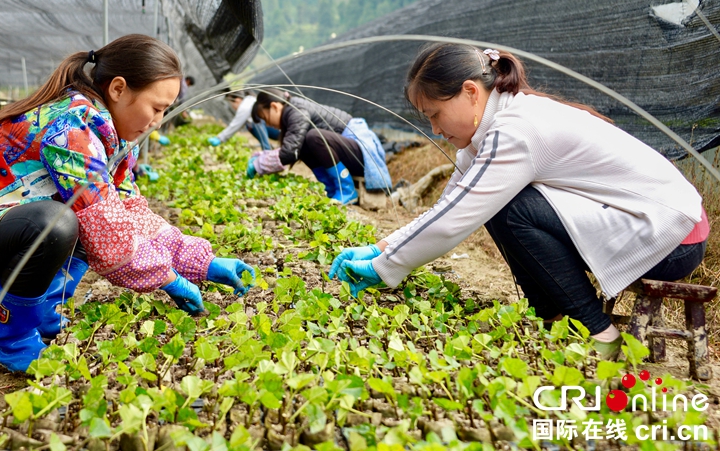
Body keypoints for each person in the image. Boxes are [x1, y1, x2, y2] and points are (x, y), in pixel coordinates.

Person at [329, 43, 708, 360]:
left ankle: (600, 335)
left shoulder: (516, 131)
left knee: (510, 208)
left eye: (436, 115)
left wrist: (386, 266)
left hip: (672, 235)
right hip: (647, 220)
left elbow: (455, 220)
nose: (436, 129)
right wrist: (379, 248)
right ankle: (553, 319)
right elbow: (448, 207)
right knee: (499, 204)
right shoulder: (496, 125)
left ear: (471, 92)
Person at [0, 35, 254, 373]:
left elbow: (129, 213)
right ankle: (13, 342)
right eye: (156, 108)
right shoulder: (72, 128)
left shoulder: (114, 140)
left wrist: (200, 262)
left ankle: (44, 316)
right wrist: (168, 278)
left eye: (165, 110)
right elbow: (108, 233)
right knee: (59, 223)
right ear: (119, 89)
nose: (158, 120)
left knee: (85, 215)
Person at [249, 89, 392, 205]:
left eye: (266, 119)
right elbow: (293, 148)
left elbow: (289, 152)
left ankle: (346, 190)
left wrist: (260, 165)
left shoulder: (296, 110)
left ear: (274, 106)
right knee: (303, 144)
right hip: (350, 154)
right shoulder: (291, 112)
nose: (268, 125)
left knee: (314, 137)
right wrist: (262, 158)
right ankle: (332, 190)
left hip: (362, 155)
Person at [207, 89, 279, 150]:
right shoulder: (250, 100)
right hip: (275, 130)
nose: (232, 107)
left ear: (237, 100)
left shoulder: (245, 106)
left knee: (255, 122)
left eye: (231, 104)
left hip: (276, 131)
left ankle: (267, 151)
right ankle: (268, 150)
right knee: (249, 124)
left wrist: (220, 138)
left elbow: (235, 125)